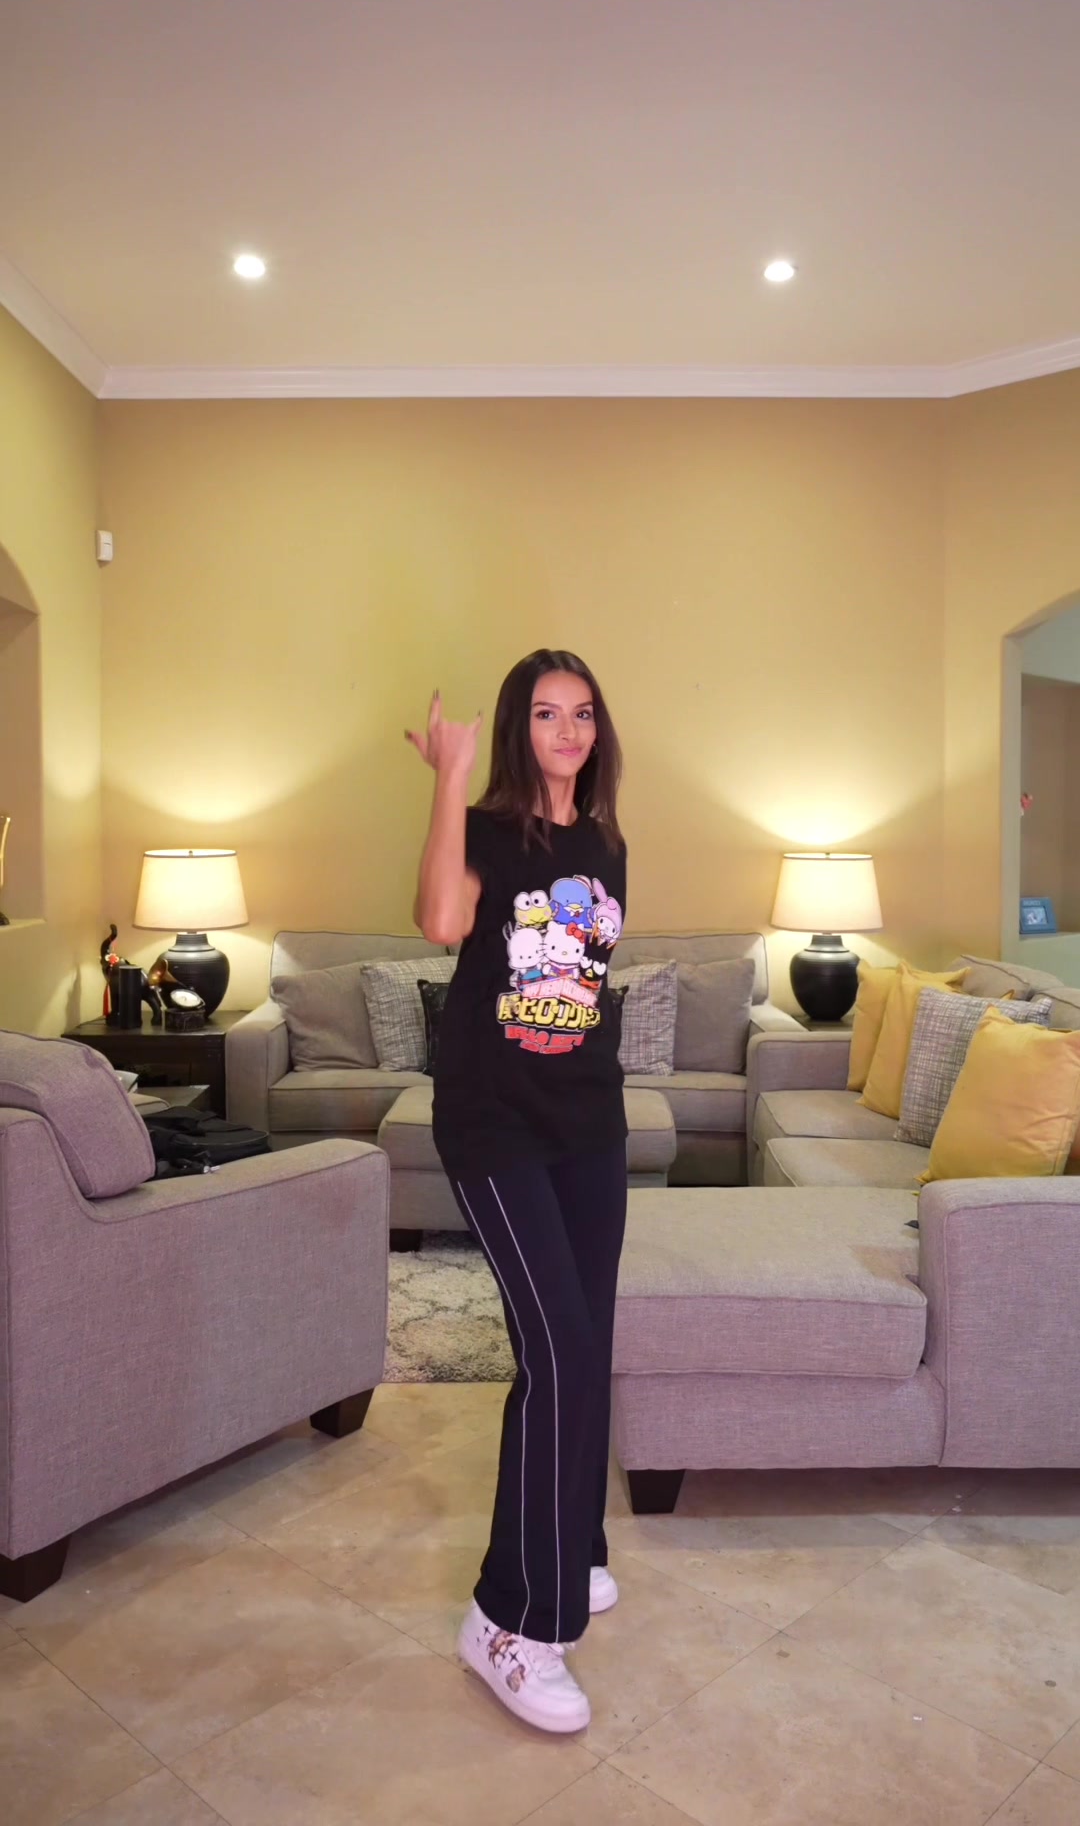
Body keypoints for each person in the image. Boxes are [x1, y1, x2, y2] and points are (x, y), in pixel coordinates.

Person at [407, 649, 628, 1736]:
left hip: (588, 1119)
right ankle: (511, 1624)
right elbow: (442, 924)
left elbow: (584, 978)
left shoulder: (607, 839)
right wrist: (449, 778)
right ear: (516, 728)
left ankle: (571, 1545)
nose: (567, 730)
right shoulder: (490, 827)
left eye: (581, 713)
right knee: (560, 1352)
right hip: (495, 1123)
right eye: (546, 714)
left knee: (590, 1339)